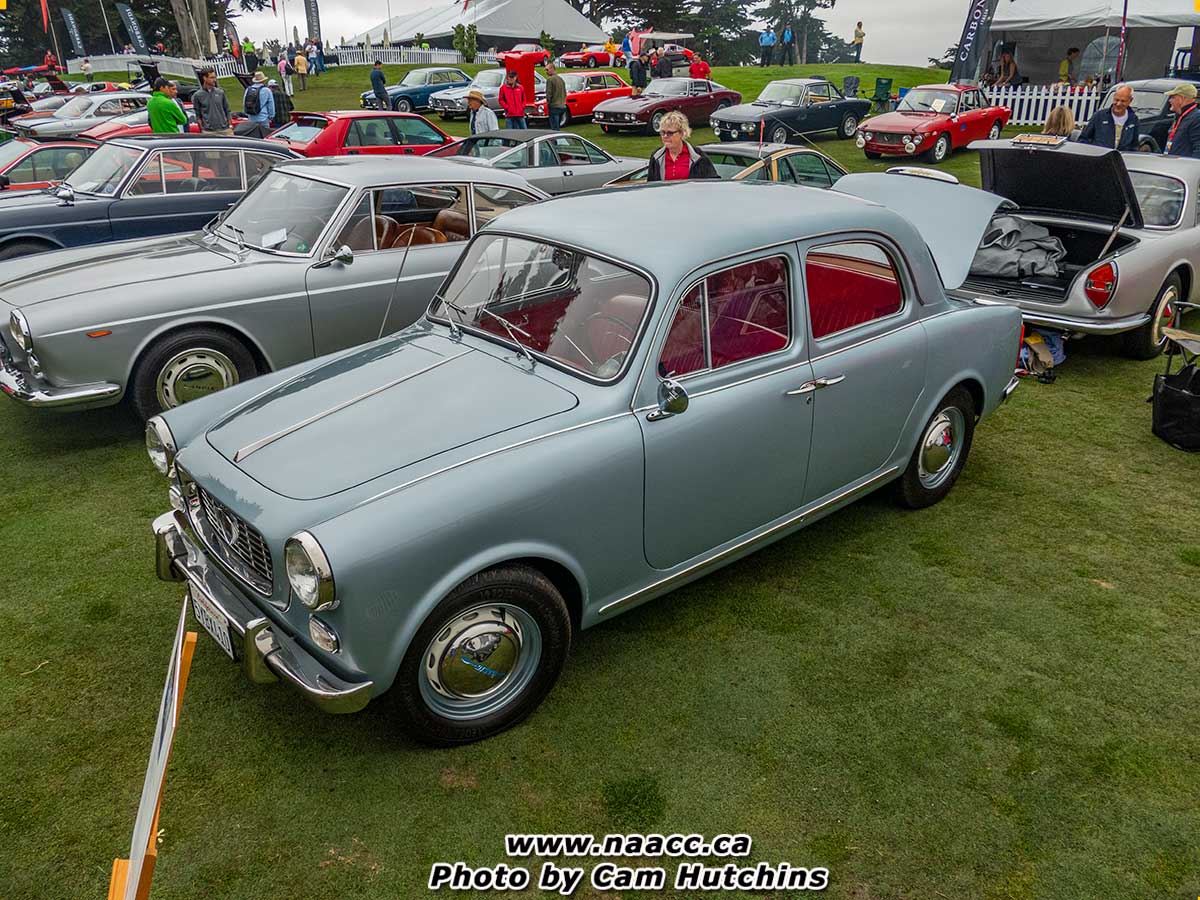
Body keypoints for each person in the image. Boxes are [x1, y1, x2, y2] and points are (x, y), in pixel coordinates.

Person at [646, 110, 718, 181]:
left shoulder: (699, 158)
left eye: (670, 133)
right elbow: (650, 186)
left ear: (682, 133)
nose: (665, 136)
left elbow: (713, 184)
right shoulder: (656, 157)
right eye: (663, 132)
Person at [1078, 83, 1139, 150]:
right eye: (1116, 100)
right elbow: (1083, 139)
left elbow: (1134, 145)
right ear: (1113, 97)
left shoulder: (1133, 119)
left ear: (1130, 101)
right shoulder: (1099, 116)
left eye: (1123, 101)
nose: (1118, 104)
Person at [1164, 82, 1200, 157]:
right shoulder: (1179, 116)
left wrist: (1190, 167)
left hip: (1183, 167)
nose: (1170, 101)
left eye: (1173, 97)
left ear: (1182, 98)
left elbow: (1198, 148)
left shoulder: (1196, 118)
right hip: (1172, 164)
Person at [193, 67, 232, 134]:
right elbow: (198, 115)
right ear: (205, 78)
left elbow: (227, 110)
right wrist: (202, 129)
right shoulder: (197, 95)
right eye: (212, 77)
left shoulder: (220, 92)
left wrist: (230, 125)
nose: (214, 80)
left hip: (225, 129)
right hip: (208, 131)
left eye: (215, 77)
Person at [544, 61, 567, 129]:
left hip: (554, 106)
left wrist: (548, 103)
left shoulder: (550, 80)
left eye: (547, 70)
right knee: (558, 126)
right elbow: (564, 92)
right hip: (562, 106)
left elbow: (549, 94)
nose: (546, 72)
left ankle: (556, 139)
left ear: (552, 69)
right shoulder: (561, 79)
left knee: (554, 127)